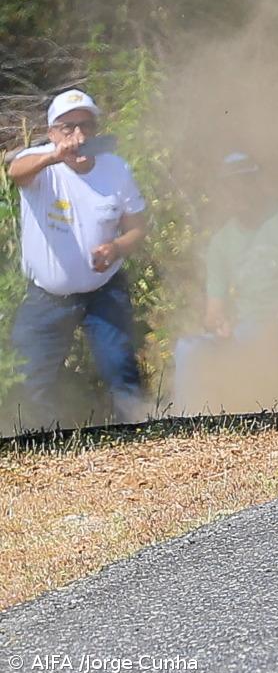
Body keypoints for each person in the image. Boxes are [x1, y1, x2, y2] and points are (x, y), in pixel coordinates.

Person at [6, 89, 150, 426]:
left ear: (96, 129)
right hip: (48, 297)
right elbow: (16, 172)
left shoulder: (116, 169)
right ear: (53, 132)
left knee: (121, 370)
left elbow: (138, 228)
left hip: (103, 292)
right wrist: (55, 156)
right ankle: (38, 444)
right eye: (68, 127)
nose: (78, 136)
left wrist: (116, 248)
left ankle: (138, 438)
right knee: (30, 378)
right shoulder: (41, 163)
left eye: (85, 126)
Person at [170, 152, 278, 412]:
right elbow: (213, 311)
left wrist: (277, 320)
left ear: (257, 183)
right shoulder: (221, 242)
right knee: (188, 349)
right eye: (229, 186)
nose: (237, 192)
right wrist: (219, 324)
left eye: (244, 182)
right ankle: (191, 423)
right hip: (247, 329)